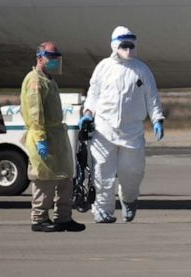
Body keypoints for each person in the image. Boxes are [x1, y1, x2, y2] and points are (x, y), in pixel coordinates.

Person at [80, 26, 164, 224]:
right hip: (103, 129)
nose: (127, 49)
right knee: (102, 172)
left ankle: (129, 199)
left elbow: (152, 97)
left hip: (132, 132)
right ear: (115, 45)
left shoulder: (141, 70)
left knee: (133, 172)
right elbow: (93, 93)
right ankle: (102, 210)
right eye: (123, 45)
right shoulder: (103, 67)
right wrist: (88, 112)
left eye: (130, 45)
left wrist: (157, 119)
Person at [21, 41, 86, 232]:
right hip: (43, 135)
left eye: (57, 58)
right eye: (51, 58)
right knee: (44, 179)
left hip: (57, 136)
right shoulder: (35, 81)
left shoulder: (48, 79)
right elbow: (35, 113)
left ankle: (63, 217)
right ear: (40, 57)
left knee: (64, 177)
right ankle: (39, 218)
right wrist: (41, 138)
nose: (55, 62)